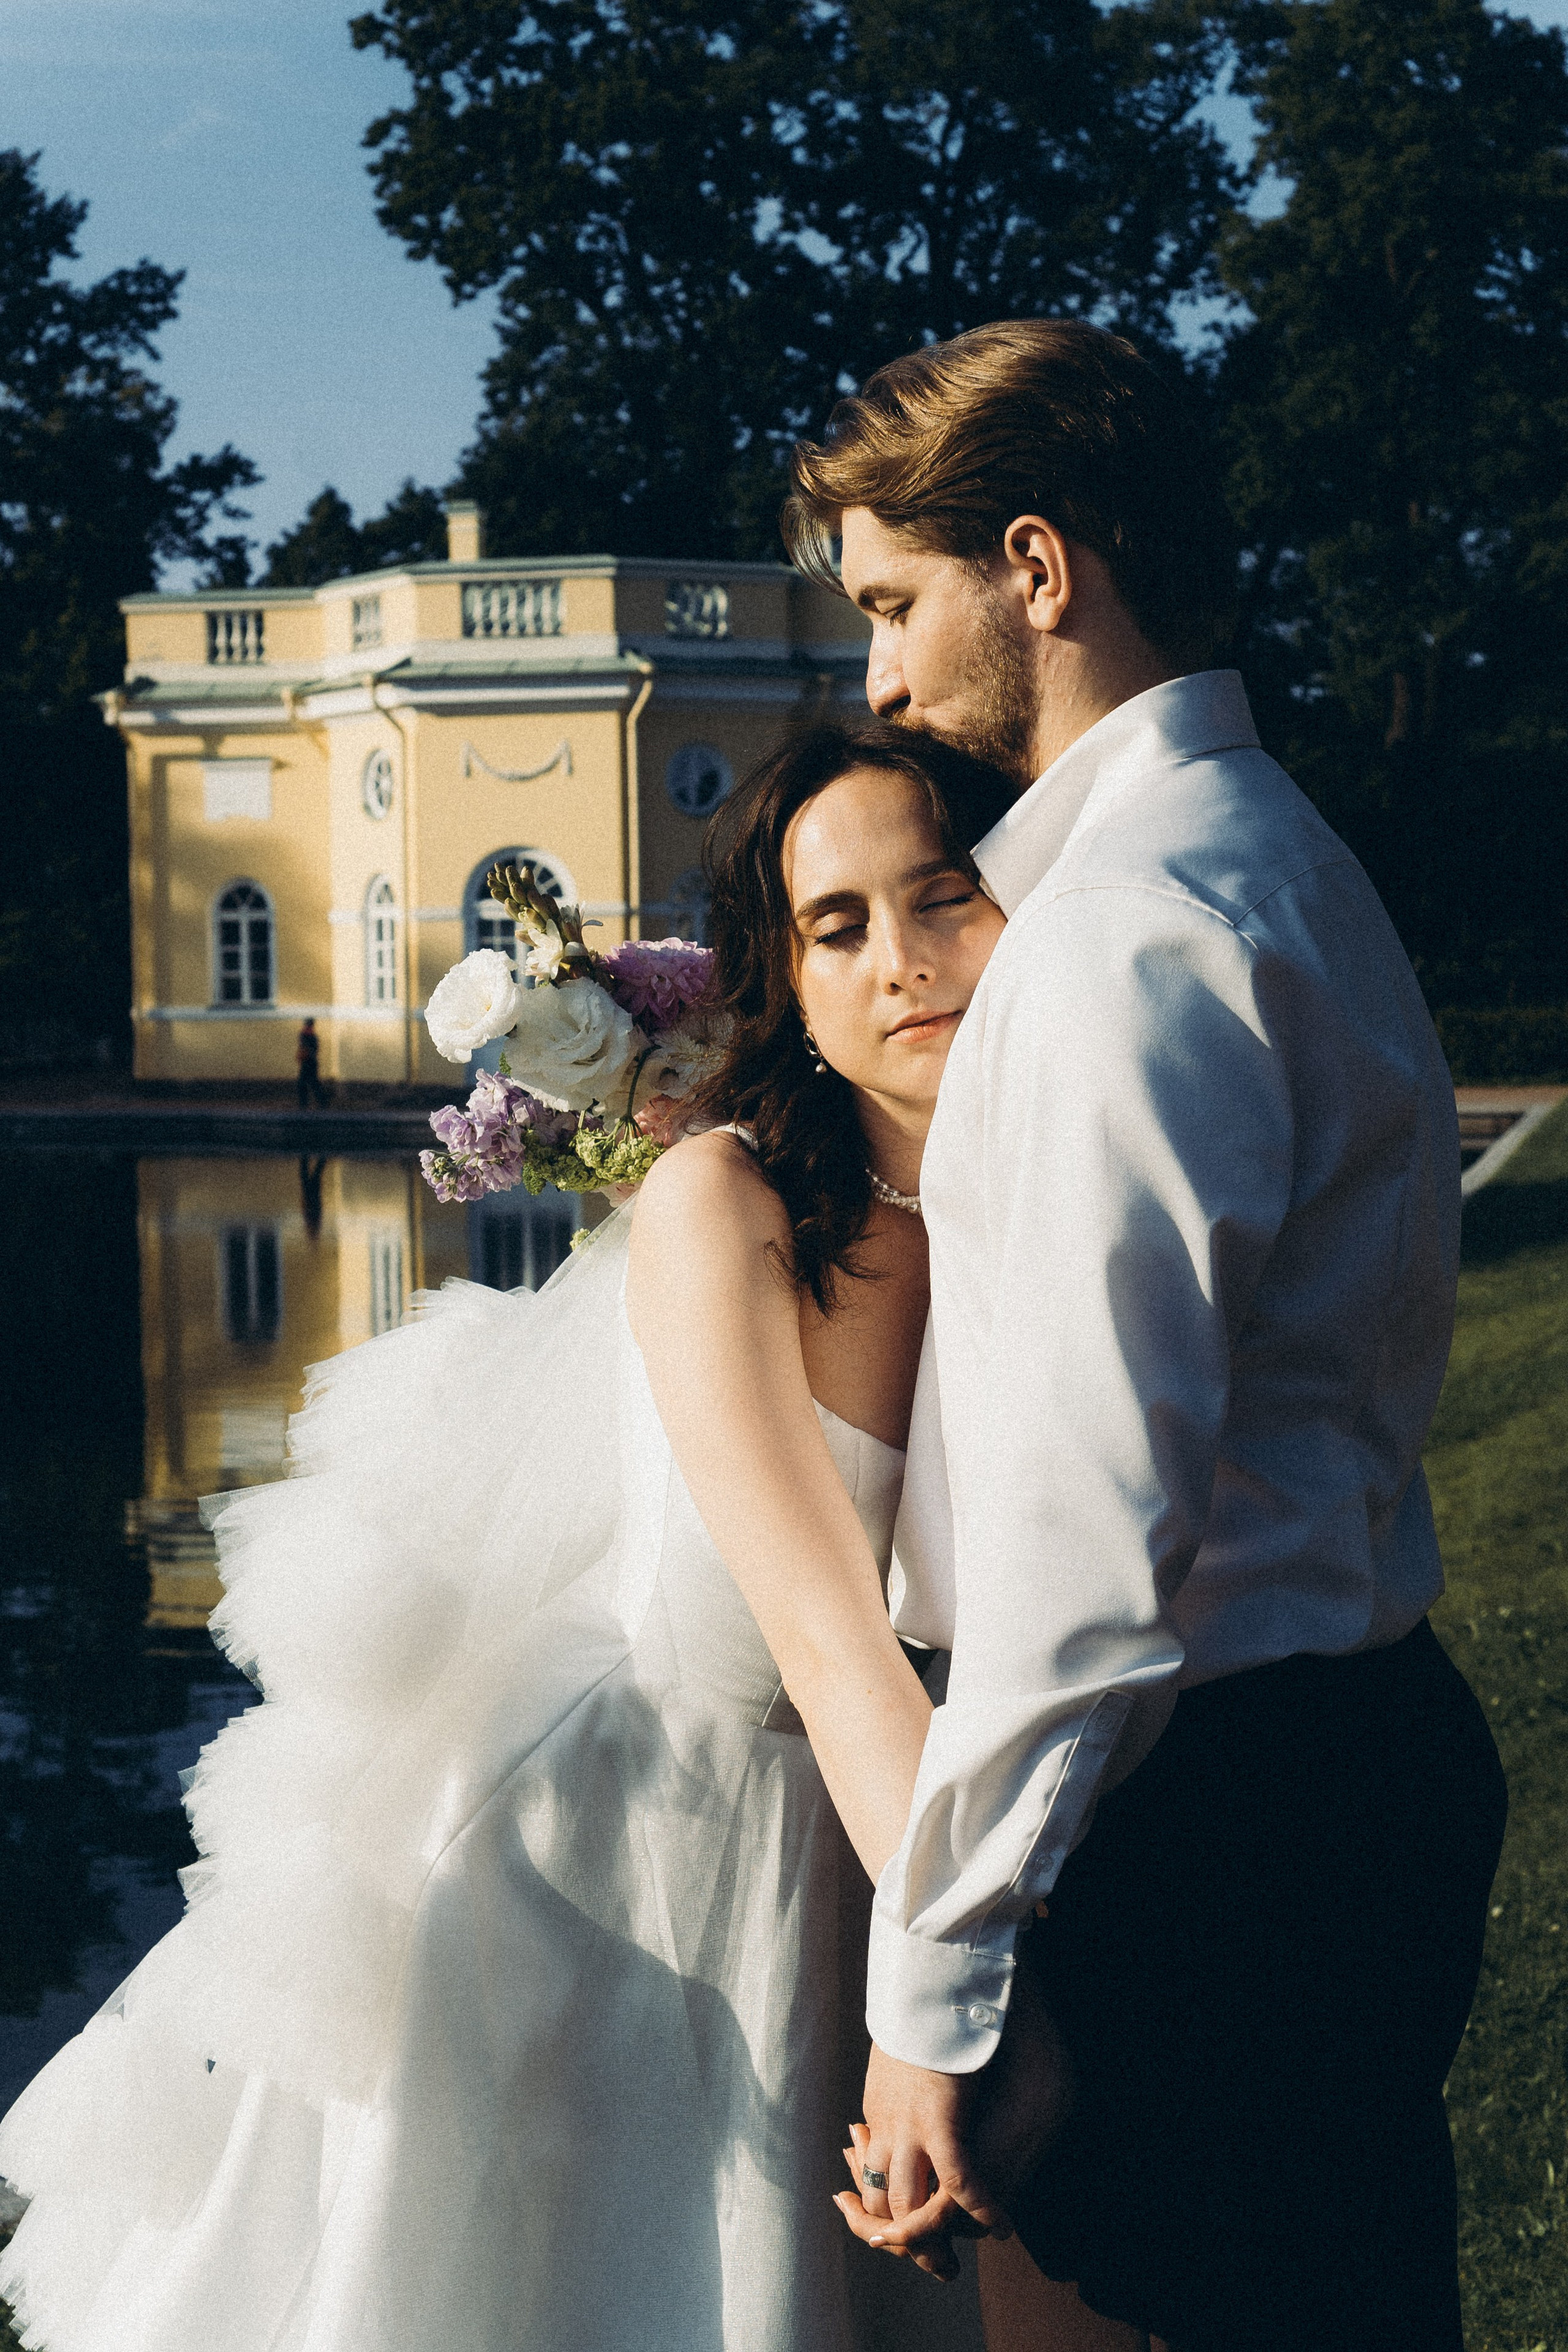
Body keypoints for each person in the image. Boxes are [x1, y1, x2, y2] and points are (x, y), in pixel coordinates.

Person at [0, 722, 1080, 2352]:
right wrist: (994, 1996)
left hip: (845, 1848)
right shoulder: (725, 1203)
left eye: (946, 899)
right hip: (603, 1874)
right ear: (787, 976)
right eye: (840, 926)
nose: (906, 964)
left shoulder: (1041, 1202)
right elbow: (832, 1645)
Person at [785, 320, 1509, 2351]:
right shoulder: (1281, 857)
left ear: (1037, 568)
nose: (880, 679)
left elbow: (1087, 1557)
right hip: (1336, 1758)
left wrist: (935, 1998)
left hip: (1207, 1841)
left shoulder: (1124, 936)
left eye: (896, 605)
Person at [295, 1016, 326, 1110]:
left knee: (304, 1083)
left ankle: (305, 1104)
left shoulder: (306, 1035)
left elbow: (305, 1048)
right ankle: (322, 1102)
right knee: (313, 1083)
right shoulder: (313, 1036)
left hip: (308, 1062)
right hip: (311, 1062)